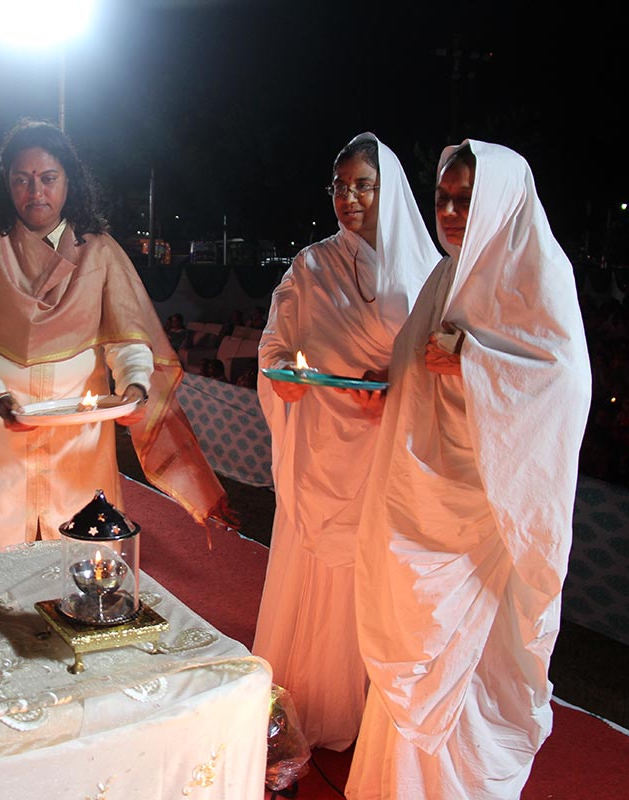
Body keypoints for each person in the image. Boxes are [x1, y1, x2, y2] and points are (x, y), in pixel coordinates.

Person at [346, 142, 590, 799]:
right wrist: (387, 378)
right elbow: (418, 361)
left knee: (472, 673)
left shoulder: (536, 272)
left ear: (502, 202)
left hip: (489, 521)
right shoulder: (446, 276)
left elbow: (565, 384)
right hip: (423, 504)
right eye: (443, 199)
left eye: (466, 200)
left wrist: (475, 363)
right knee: (414, 650)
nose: (451, 212)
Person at [0, 119, 227, 556]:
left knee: (80, 551)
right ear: (7, 183)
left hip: (77, 431)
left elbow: (127, 338)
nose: (35, 192)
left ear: (69, 182)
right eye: (22, 180)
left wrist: (135, 388)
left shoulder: (99, 250)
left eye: (48, 178)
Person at [253, 133, 438, 751]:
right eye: (339, 187)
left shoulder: (426, 273)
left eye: (363, 185)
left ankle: (378, 712)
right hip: (324, 448)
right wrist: (285, 377)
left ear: (389, 190)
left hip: (389, 452)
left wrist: (397, 383)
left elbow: (436, 366)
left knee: (381, 574)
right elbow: (274, 347)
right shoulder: (310, 266)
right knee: (322, 575)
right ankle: (317, 700)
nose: (349, 198)